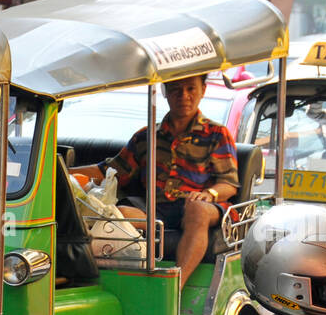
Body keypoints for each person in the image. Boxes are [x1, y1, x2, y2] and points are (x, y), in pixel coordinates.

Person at [74, 74, 239, 288]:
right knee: (117, 215)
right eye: (176, 90)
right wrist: (60, 170)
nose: (184, 96)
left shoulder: (217, 134)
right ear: (165, 92)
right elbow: (110, 171)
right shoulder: (146, 136)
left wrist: (210, 194)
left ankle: (175, 287)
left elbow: (229, 184)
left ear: (203, 90)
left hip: (200, 206)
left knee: (197, 210)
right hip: (155, 211)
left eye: (191, 89)